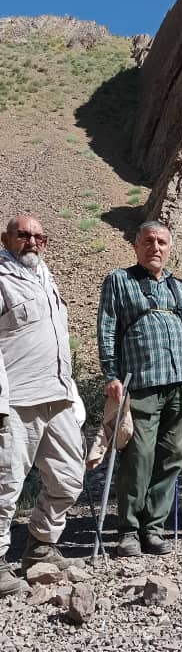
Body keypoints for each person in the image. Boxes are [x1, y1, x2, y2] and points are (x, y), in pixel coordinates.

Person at [97, 220, 182, 557]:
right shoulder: (119, 280)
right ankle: (128, 531)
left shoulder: (177, 287)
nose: (155, 247)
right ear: (136, 246)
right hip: (141, 383)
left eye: (161, 242)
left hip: (180, 383)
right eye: (148, 241)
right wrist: (111, 374)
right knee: (139, 458)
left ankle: (153, 529)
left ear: (169, 248)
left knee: (172, 457)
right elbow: (107, 329)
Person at [0, 215, 85, 597]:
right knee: (5, 484)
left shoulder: (45, 277)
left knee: (69, 478)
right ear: (6, 239)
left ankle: (40, 546)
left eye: (39, 236)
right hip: (16, 401)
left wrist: (73, 392)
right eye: (23, 235)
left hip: (58, 396)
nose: (32, 242)